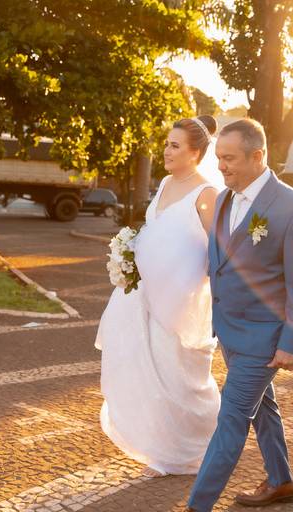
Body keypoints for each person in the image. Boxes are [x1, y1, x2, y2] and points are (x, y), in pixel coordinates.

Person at [185, 119, 293, 511]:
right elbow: (222, 261)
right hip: (229, 331)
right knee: (263, 407)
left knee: (230, 420)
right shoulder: (224, 199)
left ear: (257, 156)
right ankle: (281, 481)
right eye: (218, 158)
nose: (221, 166)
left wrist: (292, 343)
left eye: (229, 158)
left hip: (264, 340)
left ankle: (197, 506)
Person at [95, 115, 222, 477]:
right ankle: (159, 449)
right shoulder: (165, 182)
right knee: (146, 371)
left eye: (175, 145)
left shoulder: (206, 194)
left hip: (180, 300)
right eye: (167, 143)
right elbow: (157, 229)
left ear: (195, 153)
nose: (166, 150)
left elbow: (219, 249)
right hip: (144, 295)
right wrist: (130, 253)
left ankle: (198, 444)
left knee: (176, 374)